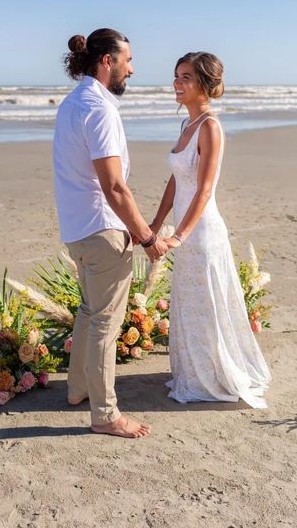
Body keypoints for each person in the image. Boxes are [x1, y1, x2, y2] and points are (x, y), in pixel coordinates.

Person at [53, 28, 167, 438]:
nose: (131, 68)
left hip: (77, 228)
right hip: (102, 230)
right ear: (107, 61)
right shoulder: (99, 109)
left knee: (88, 311)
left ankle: (77, 389)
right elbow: (114, 186)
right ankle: (105, 414)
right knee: (105, 322)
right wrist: (147, 236)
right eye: (128, 60)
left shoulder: (71, 103)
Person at [149, 52, 271, 407]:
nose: (177, 83)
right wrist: (156, 224)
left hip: (201, 233)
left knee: (207, 305)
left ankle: (215, 375)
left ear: (204, 83)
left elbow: (204, 189)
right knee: (190, 304)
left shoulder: (210, 128)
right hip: (184, 230)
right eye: (176, 76)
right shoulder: (187, 125)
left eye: (185, 77)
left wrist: (179, 235)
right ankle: (194, 371)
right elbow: (176, 181)